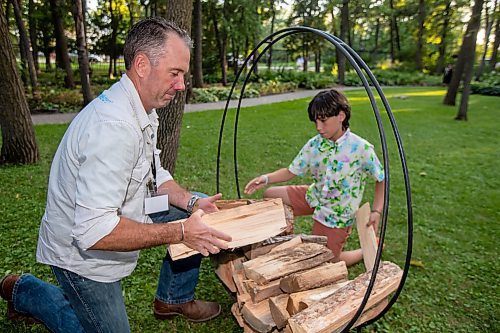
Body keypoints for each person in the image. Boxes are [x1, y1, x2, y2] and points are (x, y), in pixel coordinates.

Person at [0, 17, 232, 333]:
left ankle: (173, 298)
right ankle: (24, 290)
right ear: (141, 65)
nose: (181, 85)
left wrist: (190, 204)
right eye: (175, 74)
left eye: (183, 75)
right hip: (82, 252)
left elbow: (156, 173)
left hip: (126, 211)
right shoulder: (113, 129)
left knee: (200, 207)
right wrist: (179, 232)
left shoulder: (142, 107)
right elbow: (95, 232)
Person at [244, 89, 385, 267]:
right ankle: (279, 242)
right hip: (314, 196)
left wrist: (376, 210)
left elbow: (381, 178)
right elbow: (291, 171)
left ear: (341, 116)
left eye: (323, 120)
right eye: (316, 121)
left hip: (336, 215)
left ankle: (367, 250)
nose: (319, 127)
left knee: (324, 261)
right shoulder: (315, 144)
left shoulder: (361, 148)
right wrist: (264, 179)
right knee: (271, 195)